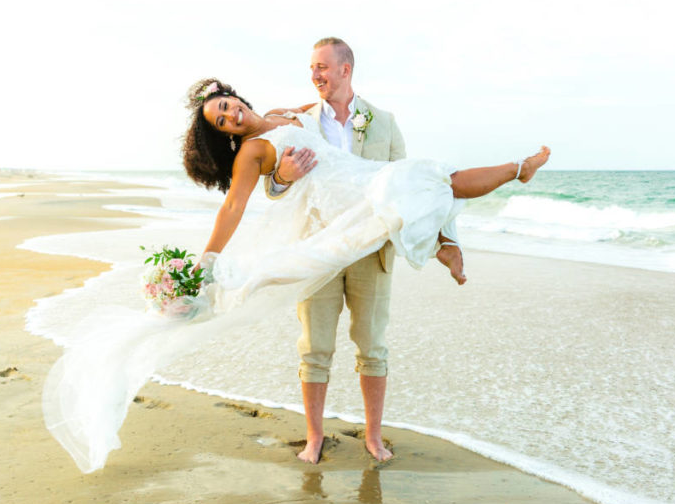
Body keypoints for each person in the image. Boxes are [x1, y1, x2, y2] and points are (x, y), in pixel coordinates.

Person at [182, 77, 551, 462]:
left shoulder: (282, 113)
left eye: (225, 106)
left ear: (234, 96)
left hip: (363, 182)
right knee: (315, 348)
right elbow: (233, 208)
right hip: (336, 214)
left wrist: (331, 82)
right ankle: (314, 438)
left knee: (435, 176)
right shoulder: (251, 152)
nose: (230, 116)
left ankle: (510, 176)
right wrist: (208, 257)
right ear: (224, 135)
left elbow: (331, 101)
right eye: (221, 122)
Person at [263, 37, 464, 465]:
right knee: (314, 348)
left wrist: (441, 242)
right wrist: (281, 175)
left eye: (322, 67)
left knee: (372, 346)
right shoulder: (297, 121)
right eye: (311, 68)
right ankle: (313, 437)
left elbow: (409, 186)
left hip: (371, 252)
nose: (315, 74)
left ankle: (373, 436)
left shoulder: (385, 123)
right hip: (315, 249)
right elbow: (273, 187)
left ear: (345, 69)